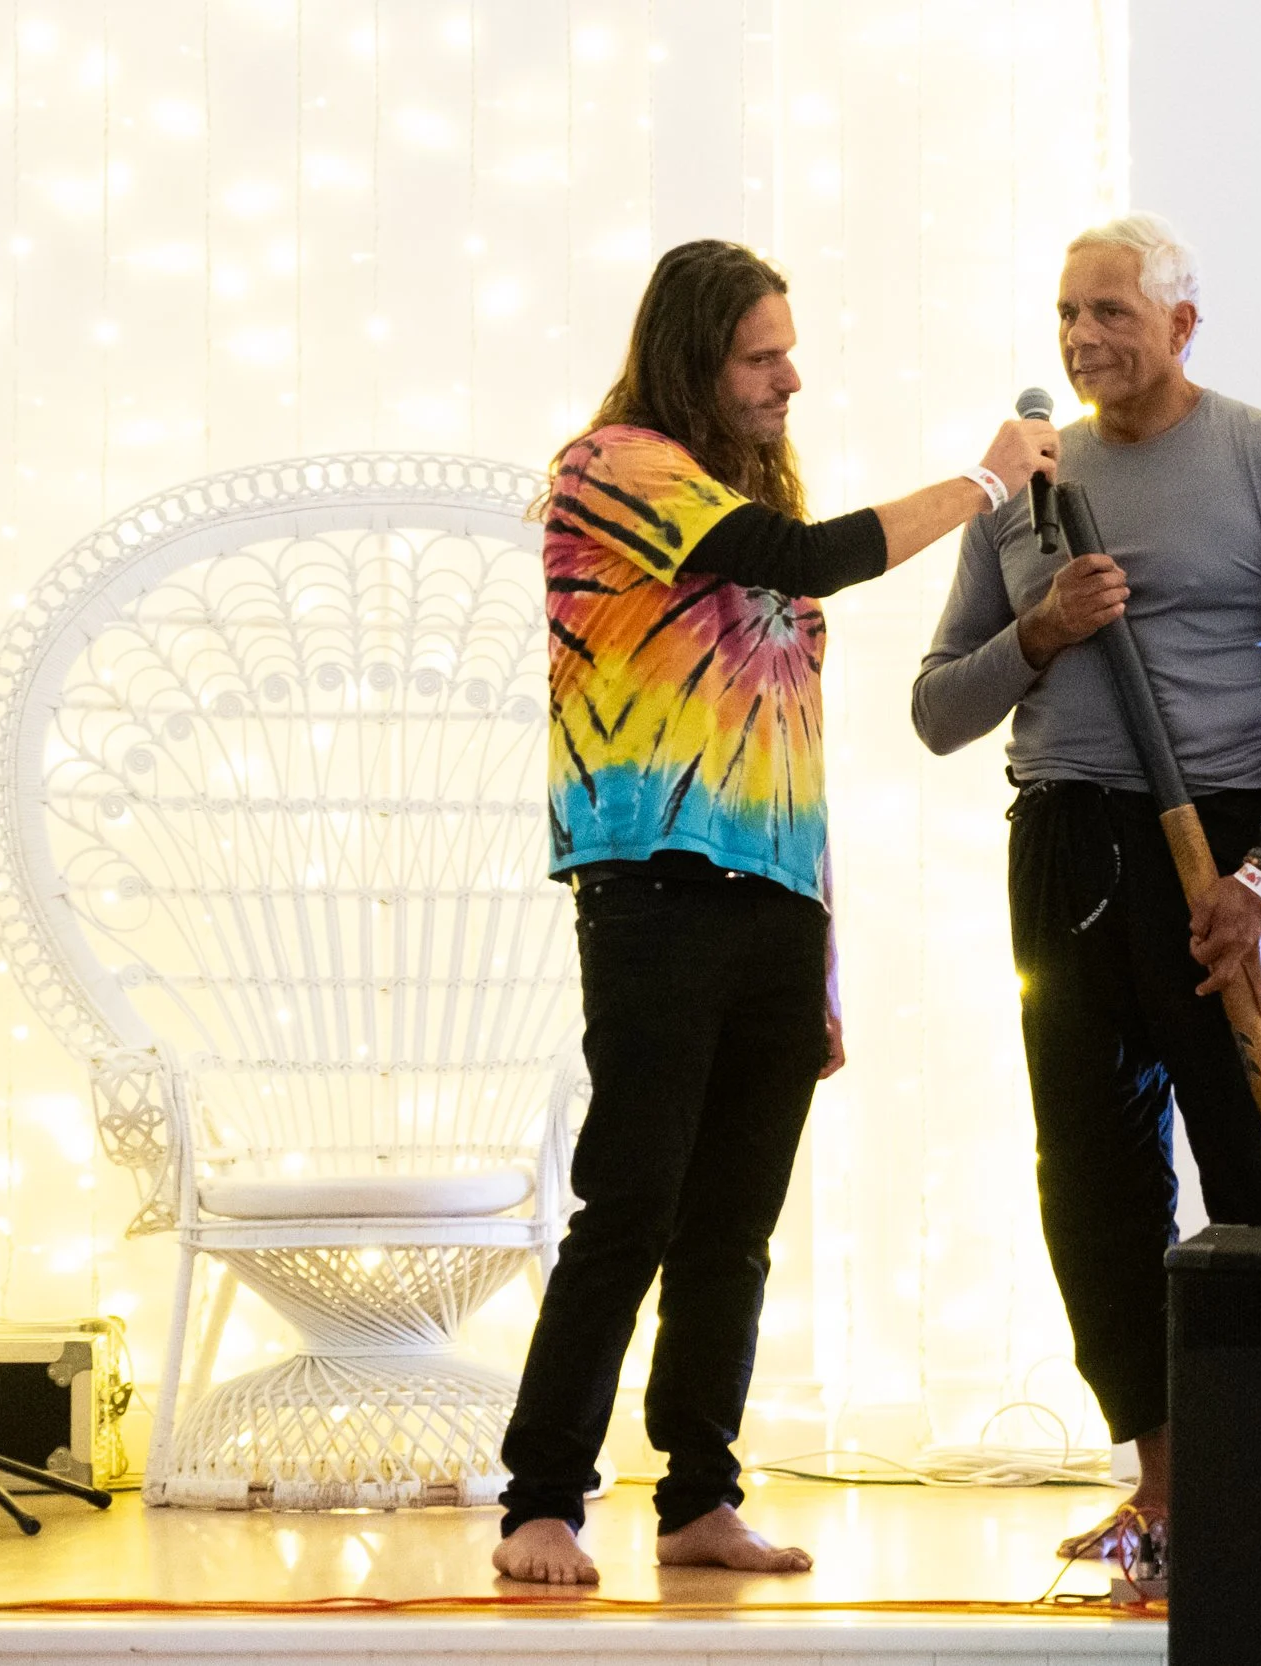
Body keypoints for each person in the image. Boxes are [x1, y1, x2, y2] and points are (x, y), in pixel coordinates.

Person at [493, 238, 1060, 1586]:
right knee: (632, 1202)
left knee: (734, 1225)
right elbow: (807, 554)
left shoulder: (735, 493)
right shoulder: (614, 467)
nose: (789, 379)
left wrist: (824, 964)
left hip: (774, 902)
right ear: (695, 359)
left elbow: (785, 744)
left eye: (789, 353)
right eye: (762, 356)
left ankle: (699, 1496)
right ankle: (540, 1501)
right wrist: (986, 482)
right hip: (654, 884)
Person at [909, 213, 1261, 1559]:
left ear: (1182, 322)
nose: (1083, 336)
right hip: (1066, 852)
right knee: (1093, 1178)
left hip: (1221, 852)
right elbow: (937, 711)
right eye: (1068, 312)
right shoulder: (1026, 489)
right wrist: (1040, 632)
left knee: (1254, 1169)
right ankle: (1161, 1489)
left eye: (1112, 310)